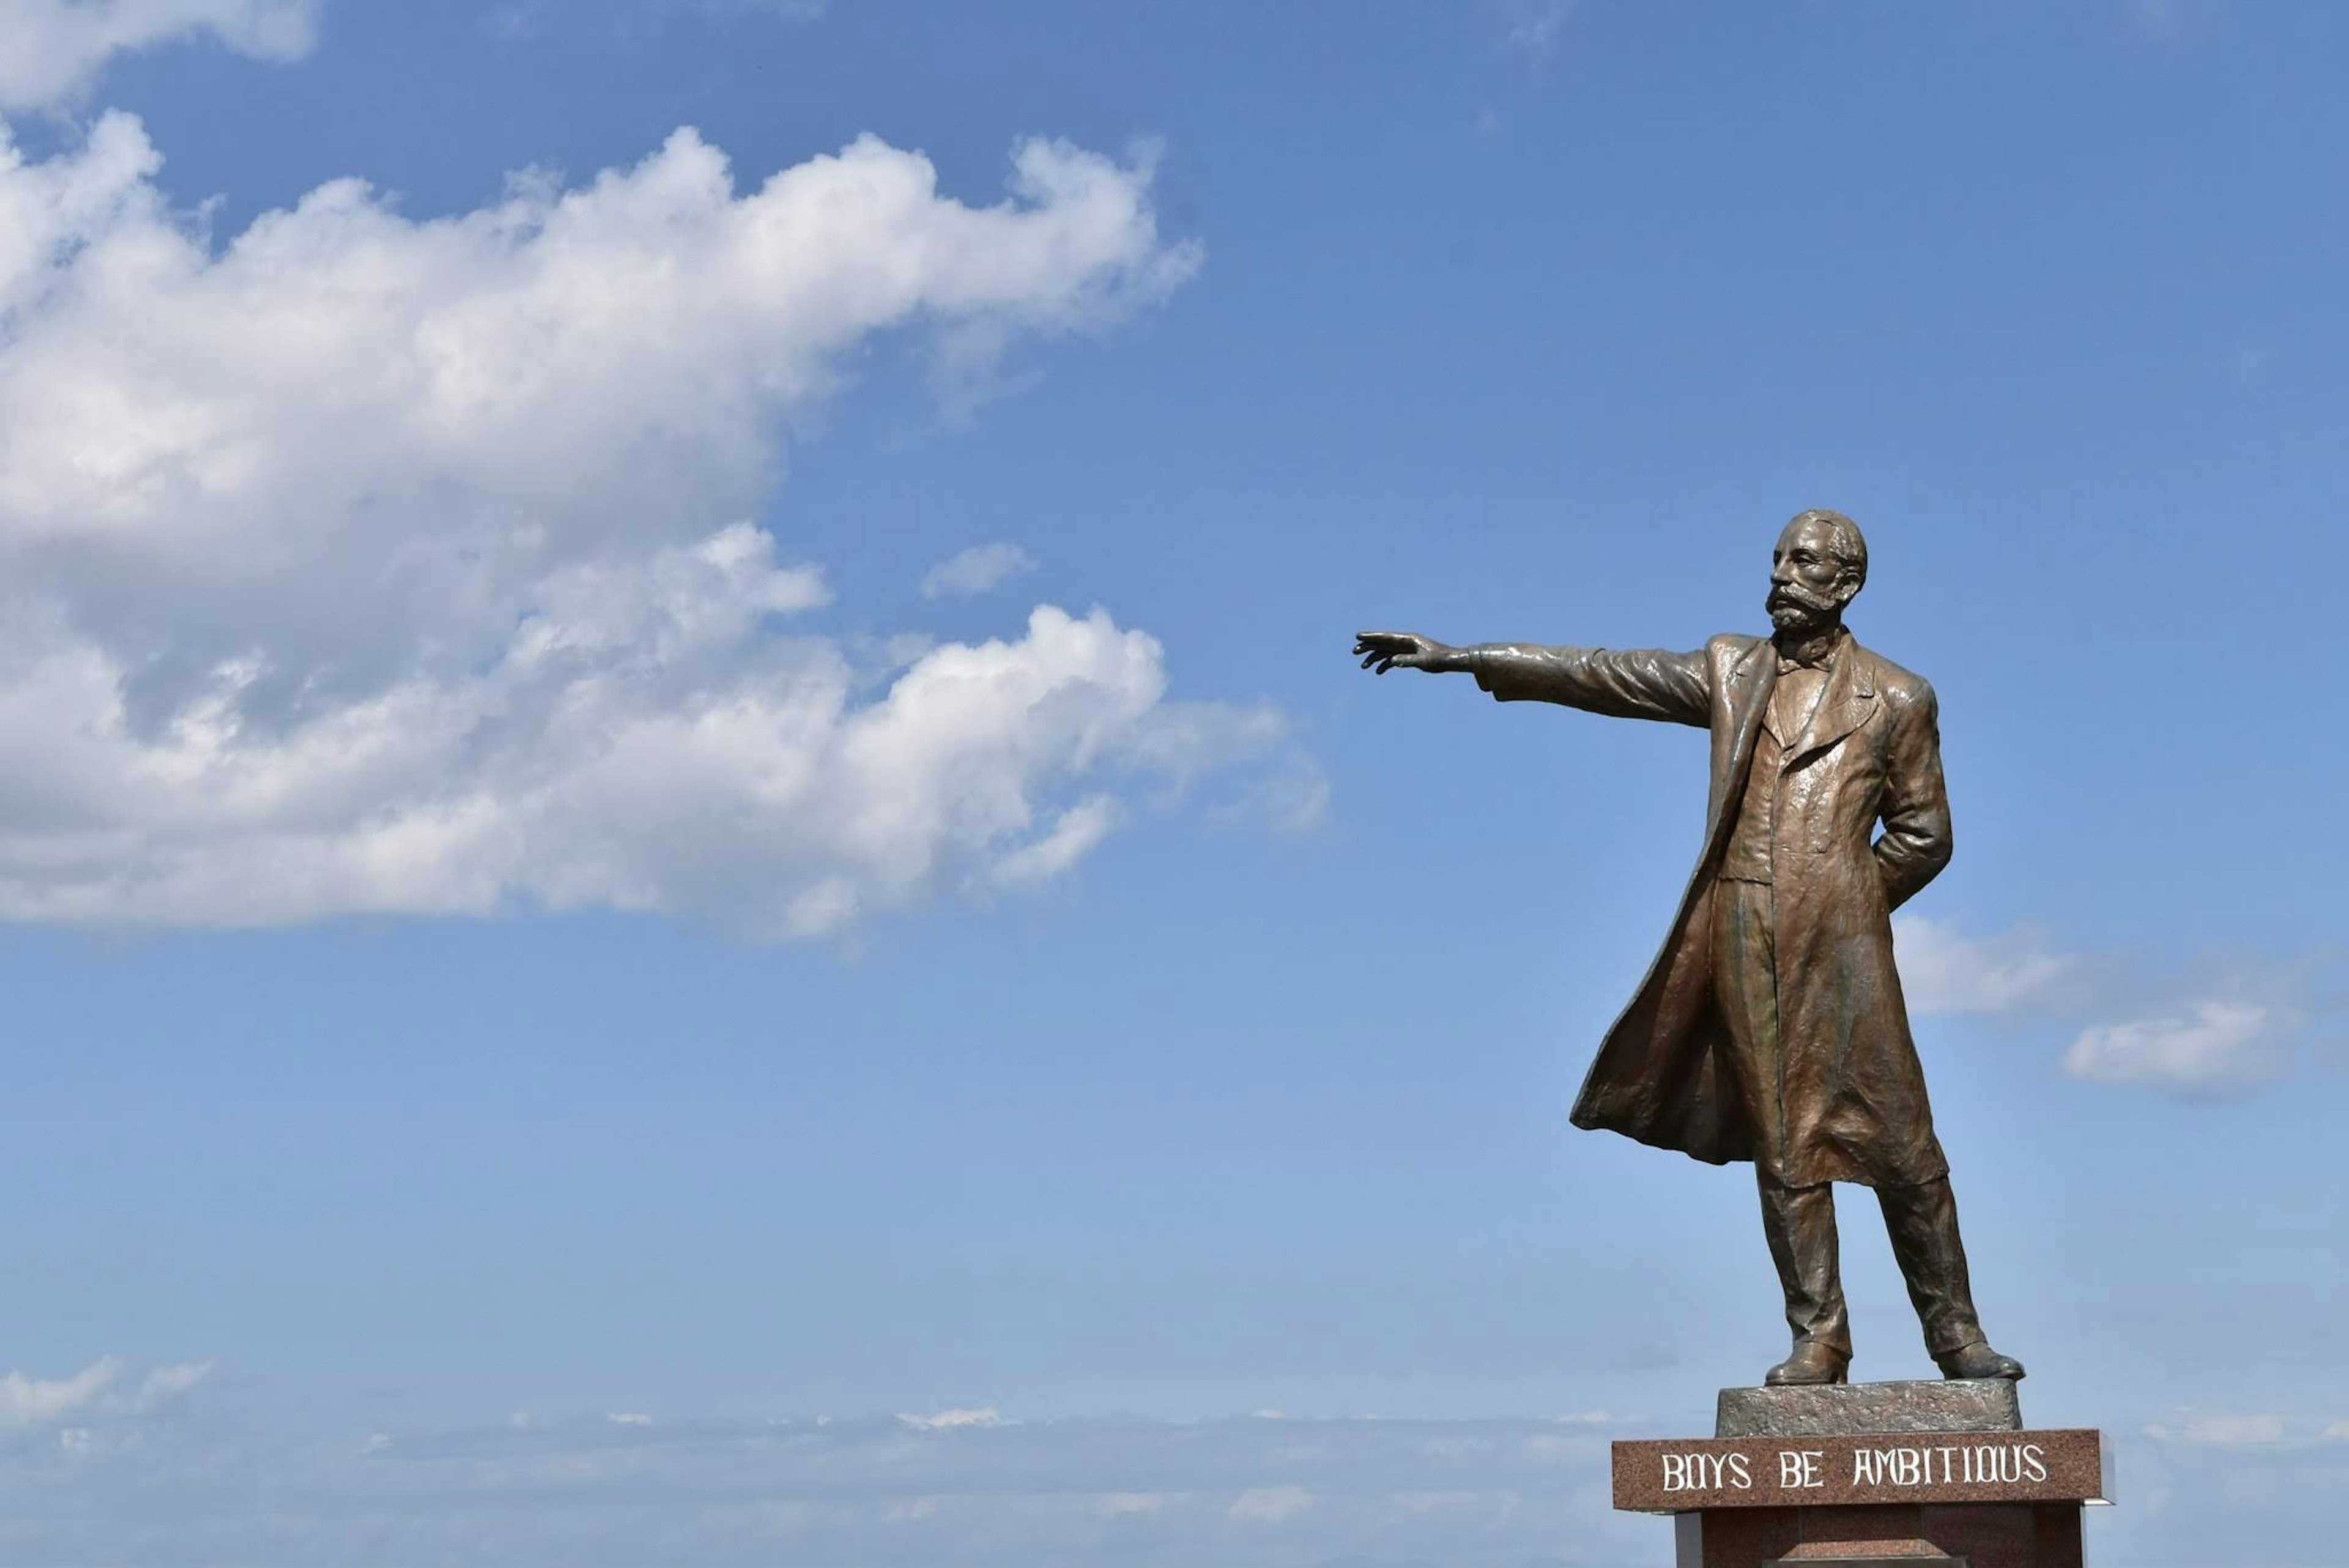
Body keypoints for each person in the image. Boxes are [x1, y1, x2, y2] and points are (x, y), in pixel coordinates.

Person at [1353, 508, 2023, 1386]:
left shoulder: (1899, 697)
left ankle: (1956, 1336)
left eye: (1805, 561)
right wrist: (1471, 655)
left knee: (1902, 1143)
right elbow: (1605, 674)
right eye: (1778, 557)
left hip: (1844, 946)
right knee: (1783, 1143)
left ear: (1846, 583)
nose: (1781, 573)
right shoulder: (1733, 669)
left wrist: (1842, 900)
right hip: (1743, 934)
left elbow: (1924, 836)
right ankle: (1819, 1337)